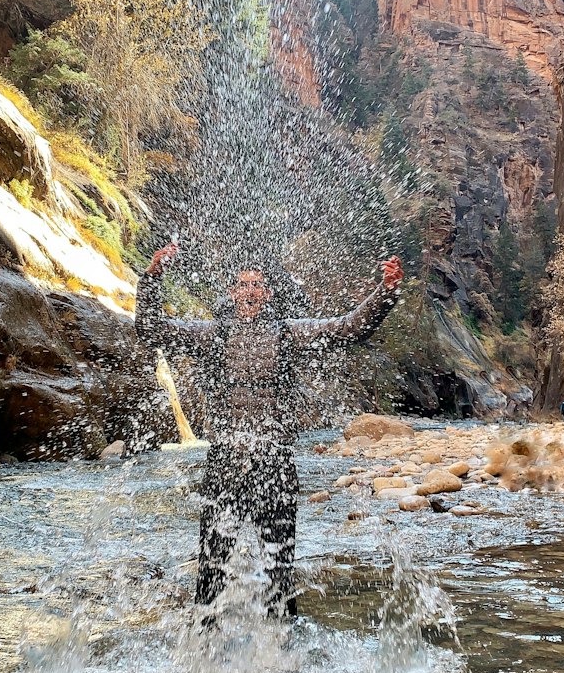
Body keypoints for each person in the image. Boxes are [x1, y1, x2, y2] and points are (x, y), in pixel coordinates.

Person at [135, 243, 404, 619]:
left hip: (275, 462)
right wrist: (152, 279)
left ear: (267, 294)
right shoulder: (210, 334)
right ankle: (204, 652)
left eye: (257, 286)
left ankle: (283, 654)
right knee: (211, 571)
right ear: (231, 293)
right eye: (243, 285)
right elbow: (150, 330)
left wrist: (386, 292)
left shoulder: (289, 334)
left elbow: (348, 329)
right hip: (226, 462)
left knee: (280, 573)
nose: (250, 292)